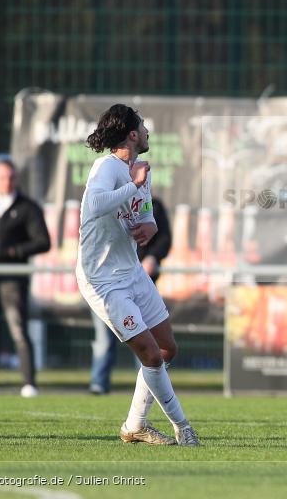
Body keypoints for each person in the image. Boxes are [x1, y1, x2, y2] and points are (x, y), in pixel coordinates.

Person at [76, 104, 199, 446]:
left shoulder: (140, 170)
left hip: (130, 271)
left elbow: (143, 212)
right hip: (102, 279)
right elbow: (94, 206)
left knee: (166, 349)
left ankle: (134, 426)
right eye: (143, 126)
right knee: (148, 353)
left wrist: (150, 223)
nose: (147, 131)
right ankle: (183, 427)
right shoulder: (107, 167)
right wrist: (133, 185)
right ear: (132, 134)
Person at [0, 159, 50, 398]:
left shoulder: (27, 207)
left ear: (16, 178)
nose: (6, 181)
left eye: (11, 177)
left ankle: (29, 383)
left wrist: (15, 251)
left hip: (13, 278)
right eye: (1, 177)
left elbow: (43, 241)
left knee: (18, 328)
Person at [90, 196, 171, 395]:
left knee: (151, 341)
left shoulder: (153, 204)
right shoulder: (106, 201)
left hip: (141, 282)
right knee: (104, 338)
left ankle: (148, 387)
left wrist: (153, 256)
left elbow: (164, 238)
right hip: (108, 285)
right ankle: (99, 383)